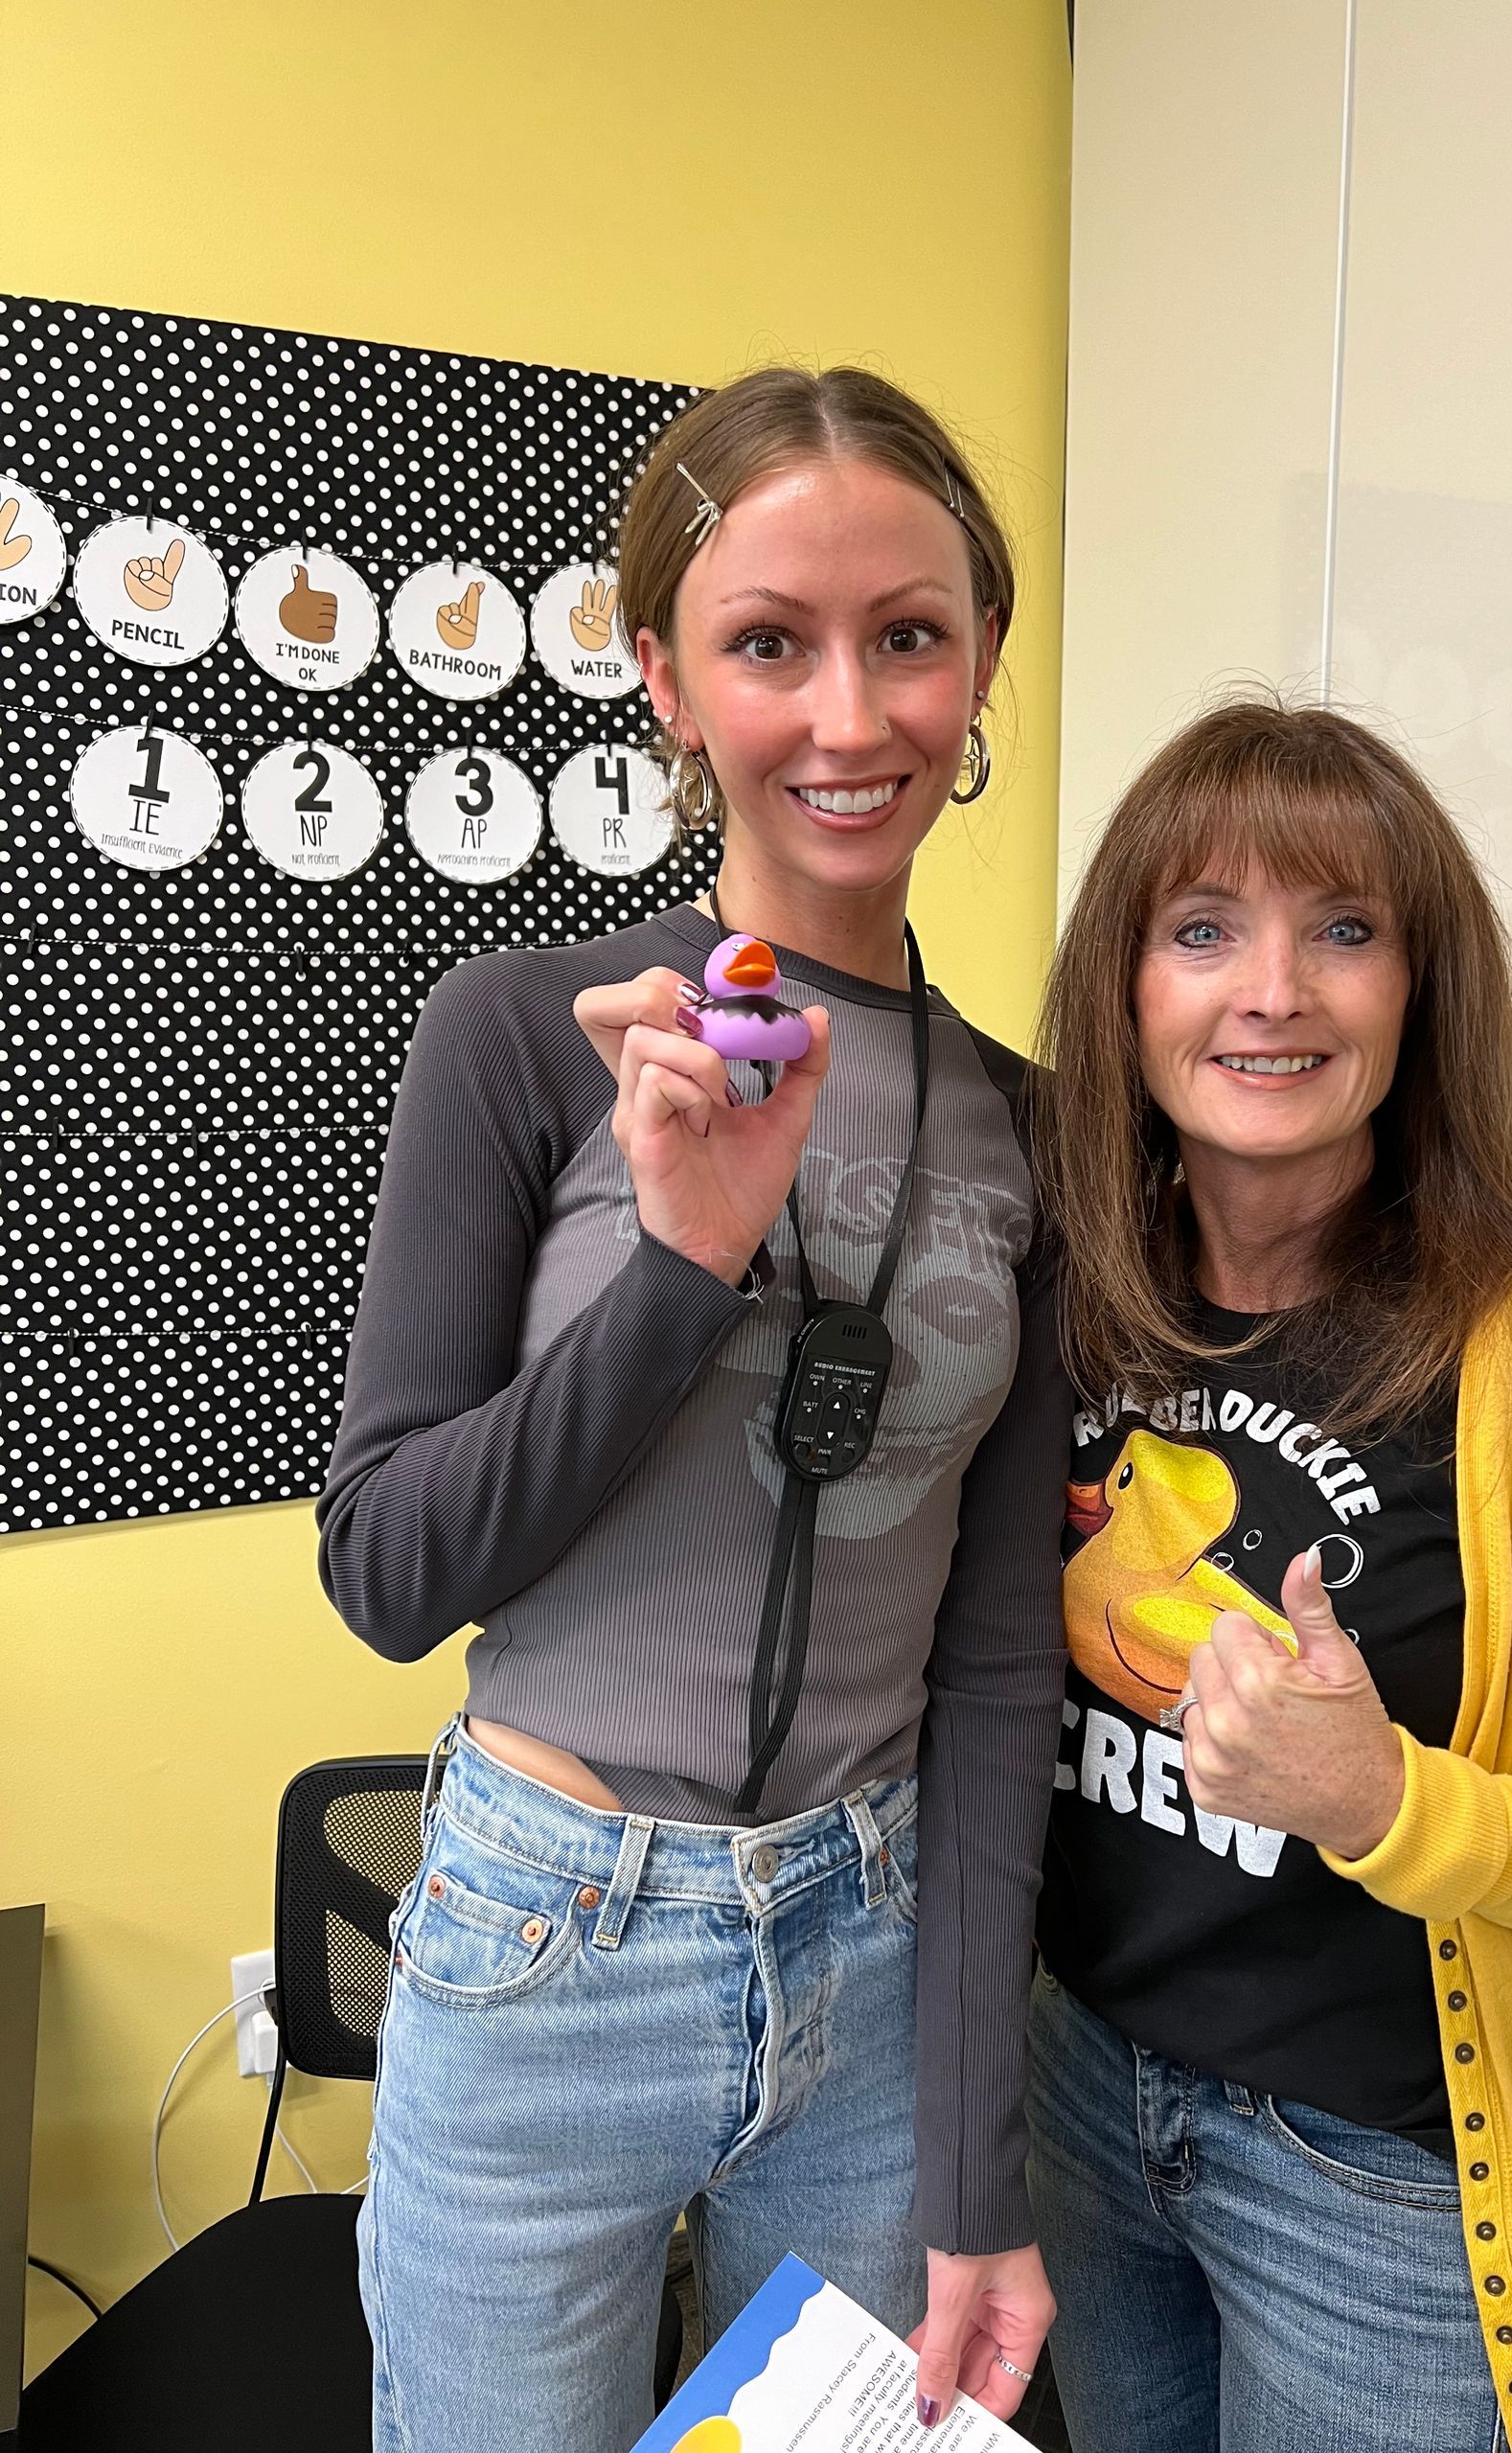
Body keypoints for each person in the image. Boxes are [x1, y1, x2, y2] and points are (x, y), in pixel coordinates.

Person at [317, 366, 1065, 2453]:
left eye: (908, 636)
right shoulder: (529, 1037)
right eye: (770, 643)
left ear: (981, 654)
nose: (851, 718)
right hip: (550, 1951)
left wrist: (983, 2165)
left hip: (881, 1945)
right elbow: (385, 1569)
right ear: (663, 674)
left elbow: (997, 1661)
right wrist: (680, 1268)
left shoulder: (1031, 1124)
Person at [1024, 699, 1512, 2453]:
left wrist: (1386, 1799)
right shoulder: (1072, 1295)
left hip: (1371, 2182)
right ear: (1129, 991)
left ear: (1423, 997)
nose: (1275, 990)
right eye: (1205, 931)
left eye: (1345, 930)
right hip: (1083, 2099)